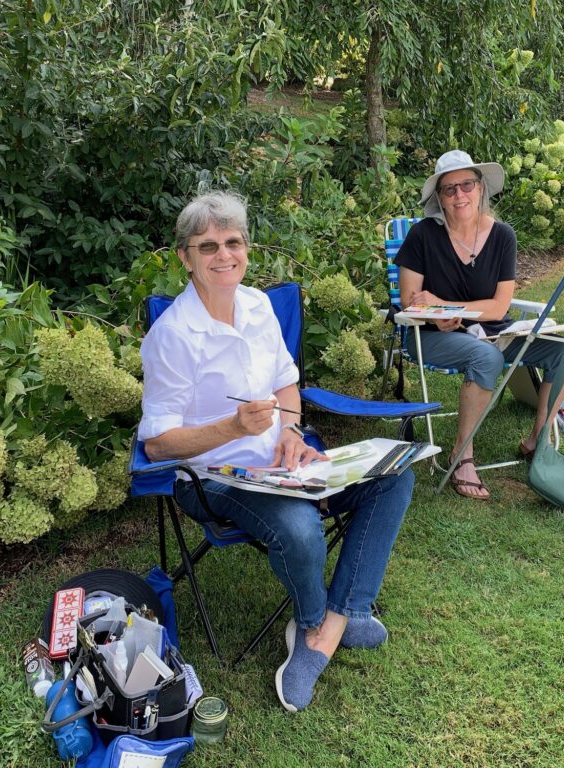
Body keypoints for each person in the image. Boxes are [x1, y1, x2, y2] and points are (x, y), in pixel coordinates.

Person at [138, 191, 414, 713]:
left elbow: (287, 384)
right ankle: (314, 629)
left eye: (233, 242)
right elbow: (157, 443)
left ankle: (335, 621)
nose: (224, 255)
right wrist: (230, 427)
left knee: (394, 474)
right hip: (214, 477)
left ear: (247, 247)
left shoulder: (259, 306)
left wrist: (290, 431)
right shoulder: (172, 336)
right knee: (298, 528)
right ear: (186, 258)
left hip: (280, 464)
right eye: (208, 246)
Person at [394, 150, 564, 500]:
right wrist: (434, 313)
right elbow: (411, 301)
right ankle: (461, 455)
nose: (459, 195)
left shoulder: (502, 236)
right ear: (439, 198)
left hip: (496, 330)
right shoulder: (423, 236)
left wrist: (446, 305)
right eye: (449, 189)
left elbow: (499, 307)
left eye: (466, 184)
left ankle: (537, 442)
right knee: (486, 358)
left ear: (481, 188)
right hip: (432, 335)